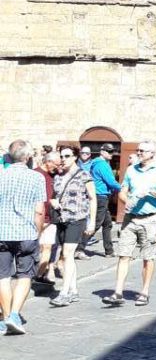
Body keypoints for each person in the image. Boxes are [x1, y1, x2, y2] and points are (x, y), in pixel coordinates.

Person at [102, 141, 156, 307]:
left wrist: (150, 193)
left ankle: (144, 292)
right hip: (130, 218)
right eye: (138, 150)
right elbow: (123, 192)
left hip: (151, 219)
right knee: (123, 255)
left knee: (148, 257)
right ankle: (118, 292)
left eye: (143, 151)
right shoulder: (131, 170)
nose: (139, 153)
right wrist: (127, 201)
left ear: (151, 154)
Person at [0, 140, 47, 334]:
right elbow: (39, 210)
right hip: (26, 233)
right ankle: (14, 315)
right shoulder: (37, 178)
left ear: (9, 156)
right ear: (27, 157)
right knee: (24, 275)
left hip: (2, 232)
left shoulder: (1, 176)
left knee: (2, 276)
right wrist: (38, 232)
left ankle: (5, 316)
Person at [49, 146, 97, 307]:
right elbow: (55, 196)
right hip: (61, 219)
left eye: (67, 155)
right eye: (62, 156)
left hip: (77, 218)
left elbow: (92, 198)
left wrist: (92, 221)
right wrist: (53, 202)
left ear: (75, 157)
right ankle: (74, 290)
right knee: (67, 255)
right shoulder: (58, 176)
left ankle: (64, 293)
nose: (64, 159)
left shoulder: (84, 175)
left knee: (67, 254)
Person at [78, 143, 120, 258]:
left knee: (107, 224)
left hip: (100, 196)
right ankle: (79, 249)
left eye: (112, 151)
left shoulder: (97, 163)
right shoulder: (102, 164)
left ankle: (109, 251)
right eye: (109, 151)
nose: (111, 153)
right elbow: (111, 181)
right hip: (100, 196)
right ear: (102, 151)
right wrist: (123, 189)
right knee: (95, 224)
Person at [33, 150, 60, 287]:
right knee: (37, 247)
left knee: (48, 246)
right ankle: (30, 273)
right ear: (48, 162)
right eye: (56, 164)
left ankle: (39, 275)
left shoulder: (54, 176)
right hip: (37, 217)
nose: (57, 167)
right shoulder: (35, 174)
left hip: (50, 218)